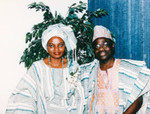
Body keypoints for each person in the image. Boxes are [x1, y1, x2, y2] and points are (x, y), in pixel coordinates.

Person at [5, 23, 86, 114]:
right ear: (46, 47)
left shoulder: (73, 67)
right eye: (51, 45)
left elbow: (80, 96)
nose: (56, 49)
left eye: (60, 45)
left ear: (65, 46)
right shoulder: (38, 68)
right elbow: (25, 93)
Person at [88, 25, 150, 114]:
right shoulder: (90, 71)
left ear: (112, 45)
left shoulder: (128, 68)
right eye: (97, 46)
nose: (101, 48)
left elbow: (138, 98)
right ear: (93, 50)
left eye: (105, 44)